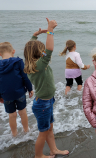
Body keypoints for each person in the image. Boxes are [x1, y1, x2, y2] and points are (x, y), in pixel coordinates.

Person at [24, 19, 69, 158]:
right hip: (43, 104)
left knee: (49, 129)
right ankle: (39, 156)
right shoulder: (39, 65)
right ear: (39, 53)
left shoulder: (34, 63)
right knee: (43, 132)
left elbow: (34, 47)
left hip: (46, 101)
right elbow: (49, 50)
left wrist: (35, 35)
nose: (44, 51)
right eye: (41, 50)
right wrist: (50, 30)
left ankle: (53, 150)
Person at [0, 42, 33, 137]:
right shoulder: (18, 61)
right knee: (22, 112)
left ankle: (14, 134)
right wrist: (30, 89)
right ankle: (26, 131)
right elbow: (24, 77)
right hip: (19, 93)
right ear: (13, 51)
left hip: (6, 95)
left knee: (12, 115)